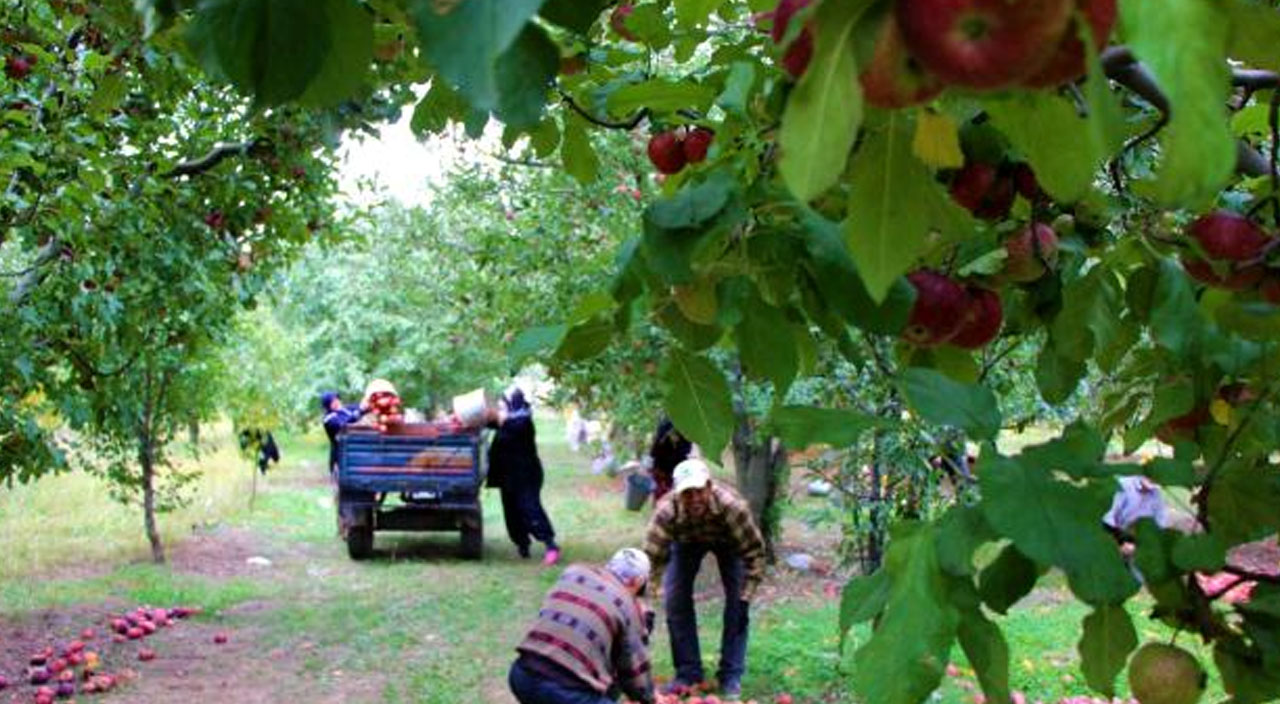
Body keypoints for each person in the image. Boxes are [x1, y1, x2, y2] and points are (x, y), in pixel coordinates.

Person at [643, 459, 766, 699]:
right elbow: (651, 562)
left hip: (730, 543)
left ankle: (730, 675)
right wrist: (645, 605)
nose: (694, 498)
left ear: (709, 487)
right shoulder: (667, 512)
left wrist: (746, 596)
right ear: (678, 494)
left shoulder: (733, 508)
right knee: (675, 600)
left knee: (737, 606)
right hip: (686, 541)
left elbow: (754, 553)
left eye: (699, 491)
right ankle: (688, 673)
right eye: (687, 493)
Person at [508, 547, 656, 704]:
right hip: (566, 694)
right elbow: (634, 672)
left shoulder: (573, 572)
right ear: (638, 582)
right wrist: (649, 698)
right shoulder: (628, 605)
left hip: (521, 676)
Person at [487, 386, 560, 565]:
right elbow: (489, 421)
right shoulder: (508, 419)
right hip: (507, 476)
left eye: (503, 405)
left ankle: (550, 545)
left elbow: (509, 425)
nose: (500, 408)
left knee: (530, 508)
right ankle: (522, 544)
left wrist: (498, 417)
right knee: (511, 512)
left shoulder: (522, 421)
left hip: (526, 474)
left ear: (512, 405)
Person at [320, 391, 367, 474]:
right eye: (333, 401)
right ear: (328, 404)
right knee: (343, 479)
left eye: (336, 399)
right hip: (341, 454)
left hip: (355, 450)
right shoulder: (329, 419)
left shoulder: (346, 409)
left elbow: (360, 407)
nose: (337, 402)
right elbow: (343, 425)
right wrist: (359, 412)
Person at [647, 416, 692, 502]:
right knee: (662, 493)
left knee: (671, 494)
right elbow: (656, 447)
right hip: (663, 466)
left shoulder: (685, 427)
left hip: (674, 466)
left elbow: (687, 449)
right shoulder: (667, 424)